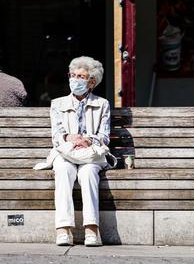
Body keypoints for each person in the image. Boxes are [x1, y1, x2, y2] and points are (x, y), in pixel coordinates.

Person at [50, 56, 110, 247]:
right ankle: (63, 229)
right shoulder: (57, 103)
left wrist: (88, 140)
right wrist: (70, 138)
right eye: (72, 75)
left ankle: (92, 229)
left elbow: (104, 135)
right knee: (63, 170)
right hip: (66, 152)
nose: (75, 79)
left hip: (90, 153)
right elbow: (57, 135)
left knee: (88, 172)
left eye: (81, 77)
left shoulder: (103, 104)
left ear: (91, 82)